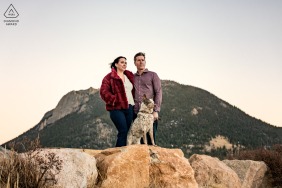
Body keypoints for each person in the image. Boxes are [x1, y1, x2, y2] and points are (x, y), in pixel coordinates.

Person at [100, 56, 135, 147]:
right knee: (122, 130)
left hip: (130, 107)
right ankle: (118, 154)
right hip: (116, 108)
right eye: (122, 62)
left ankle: (124, 155)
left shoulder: (129, 76)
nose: (124, 64)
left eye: (126, 63)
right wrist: (114, 99)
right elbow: (103, 91)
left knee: (127, 132)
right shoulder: (109, 77)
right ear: (116, 64)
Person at [133, 52, 162, 145]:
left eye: (142, 60)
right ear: (135, 63)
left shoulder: (153, 75)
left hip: (150, 113)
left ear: (145, 61)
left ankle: (151, 159)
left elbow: (158, 92)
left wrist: (156, 111)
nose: (141, 62)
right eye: (138, 60)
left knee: (150, 139)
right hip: (136, 113)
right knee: (138, 139)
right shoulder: (132, 77)